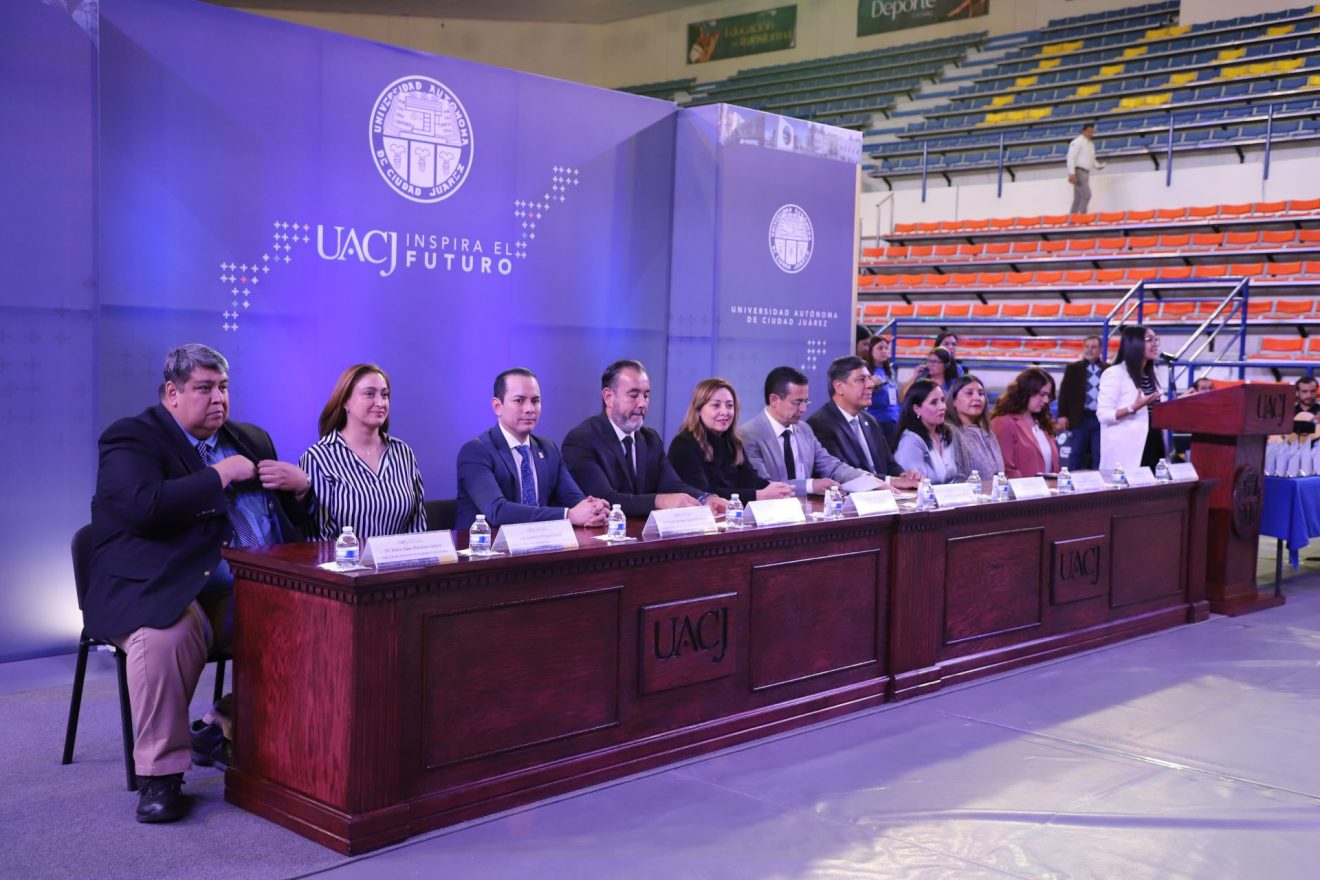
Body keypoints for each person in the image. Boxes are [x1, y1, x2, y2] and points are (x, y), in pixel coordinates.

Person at [87, 344, 311, 823]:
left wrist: (301, 491)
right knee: (164, 638)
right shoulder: (131, 438)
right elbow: (144, 508)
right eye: (204, 388)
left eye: (224, 387)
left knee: (325, 625)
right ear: (172, 393)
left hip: (253, 587)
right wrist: (218, 474)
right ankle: (162, 775)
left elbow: (285, 519)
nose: (218, 398)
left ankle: (218, 725)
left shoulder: (251, 438)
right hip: (163, 585)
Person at [562, 359, 724, 517]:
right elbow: (605, 499)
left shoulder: (650, 439)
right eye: (633, 395)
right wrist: (659, 501)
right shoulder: (581, 441)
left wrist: (705, 498)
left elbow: (673, 485)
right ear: (608, 397)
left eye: (646, 396)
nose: (642, 404)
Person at [456, 368, 609, 532]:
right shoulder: (476, 452)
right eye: (519, 401)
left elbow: (574, 499)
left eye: (535, 401)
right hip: (487, 545)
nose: (530, 409)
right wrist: (568, 515)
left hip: (540, 543)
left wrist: (593, 509)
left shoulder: (548, 449)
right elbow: (497, 511)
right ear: (497, 406)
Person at [300, 364, 426, 541]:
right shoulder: (318, 458)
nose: (380, 403)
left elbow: (417, 528)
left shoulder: (403, 453)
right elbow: (319, 540)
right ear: (345, 401)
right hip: (344, 559)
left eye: (384, 395)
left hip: (401, 560)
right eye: (369, 394)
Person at [741, 366, 869, 496]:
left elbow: (832, 466)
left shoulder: (804, 429)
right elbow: (763, 485)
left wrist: (869, 479)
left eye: (806, 402)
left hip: (808, 507)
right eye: (797, 402)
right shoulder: (749, 434)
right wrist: (809, 486)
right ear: (774, 400)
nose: (803, 409)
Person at [668, 378, 794, 501]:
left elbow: (750, 480)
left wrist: (776, 489)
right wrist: (759, 495)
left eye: (729, 406)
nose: (725, 412)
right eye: (716, 405)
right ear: (699, 410)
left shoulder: (733, 443)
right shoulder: (683, 445)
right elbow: (702, 494)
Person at [807, 355, 920, 489]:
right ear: (839, 387)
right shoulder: (820, 425)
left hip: (885, 496)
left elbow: (889, 464)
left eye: (869, 378)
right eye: (861, 379)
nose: (870, 385)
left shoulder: (870, 420)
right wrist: (890, 481)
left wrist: (904, 476)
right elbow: (842, 476)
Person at [1097, 325, 1165, 474]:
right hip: (1127, 450)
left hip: (1153, 441)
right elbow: (1103, 415)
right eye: (1149, 340)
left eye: (1156, 339)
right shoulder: (1115, 373)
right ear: (1135, 344)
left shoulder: (1153, 373)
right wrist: (1132, 408)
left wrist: (1179, 403)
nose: (1155, 344)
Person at [990, 367, 1061, 478]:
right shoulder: (1003, 422)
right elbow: (1006, 468)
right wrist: (1028, 487)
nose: (1046, 400)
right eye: (1042, 394)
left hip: (1048, 488)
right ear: (1026, 391)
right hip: (1022, 488)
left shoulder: (1042, 422)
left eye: (1048, 396)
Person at [1057, 335, 1107, 470]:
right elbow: (1064, 393)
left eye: (1094, 347)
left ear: (1100, 349)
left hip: (1100, 418)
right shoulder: (1073, 368)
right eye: (1087, 346)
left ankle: (1099, 483)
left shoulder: (1108, 369)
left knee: (1099, 455)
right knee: (1075, 454)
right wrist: (1062, 415)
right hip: (1080, 418)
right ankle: (1072, 481)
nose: (1090, 350)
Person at [894, 380, 957, 483]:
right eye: (934, 402)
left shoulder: (945, 434)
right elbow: (912, 485)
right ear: (916, 409)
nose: (942, 407)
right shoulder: (910, 441)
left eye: (942, 400)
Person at [945, 374, 1005, 480]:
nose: (977, 398)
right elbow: (956, 477)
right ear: (953, 401)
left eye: (981, 394)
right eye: (969, 393)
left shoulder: (988, 432)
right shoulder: (950, 431)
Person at [864, 335, 902, 445]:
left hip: (894, 421)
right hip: (877, 422)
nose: (884, 351)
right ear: (871, 350)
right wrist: (872, 385)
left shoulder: (890, 372)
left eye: (886, 348)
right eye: (880, 348)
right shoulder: (866, 372)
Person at [1067, 121, 1104, 214]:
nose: (1091, 134)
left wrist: (1097, 166)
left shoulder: (1090, 144)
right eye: (1089, 131)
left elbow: (1091, 158)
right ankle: (1082, 217)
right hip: (1079, 171)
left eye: (1092, 132)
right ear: (1084, 131)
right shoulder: (1077, 142)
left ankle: (1072, 218)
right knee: (1086, 195)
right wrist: (1071, 173)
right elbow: (1071, 157)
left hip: (1086, 172)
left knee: (1078, 197)